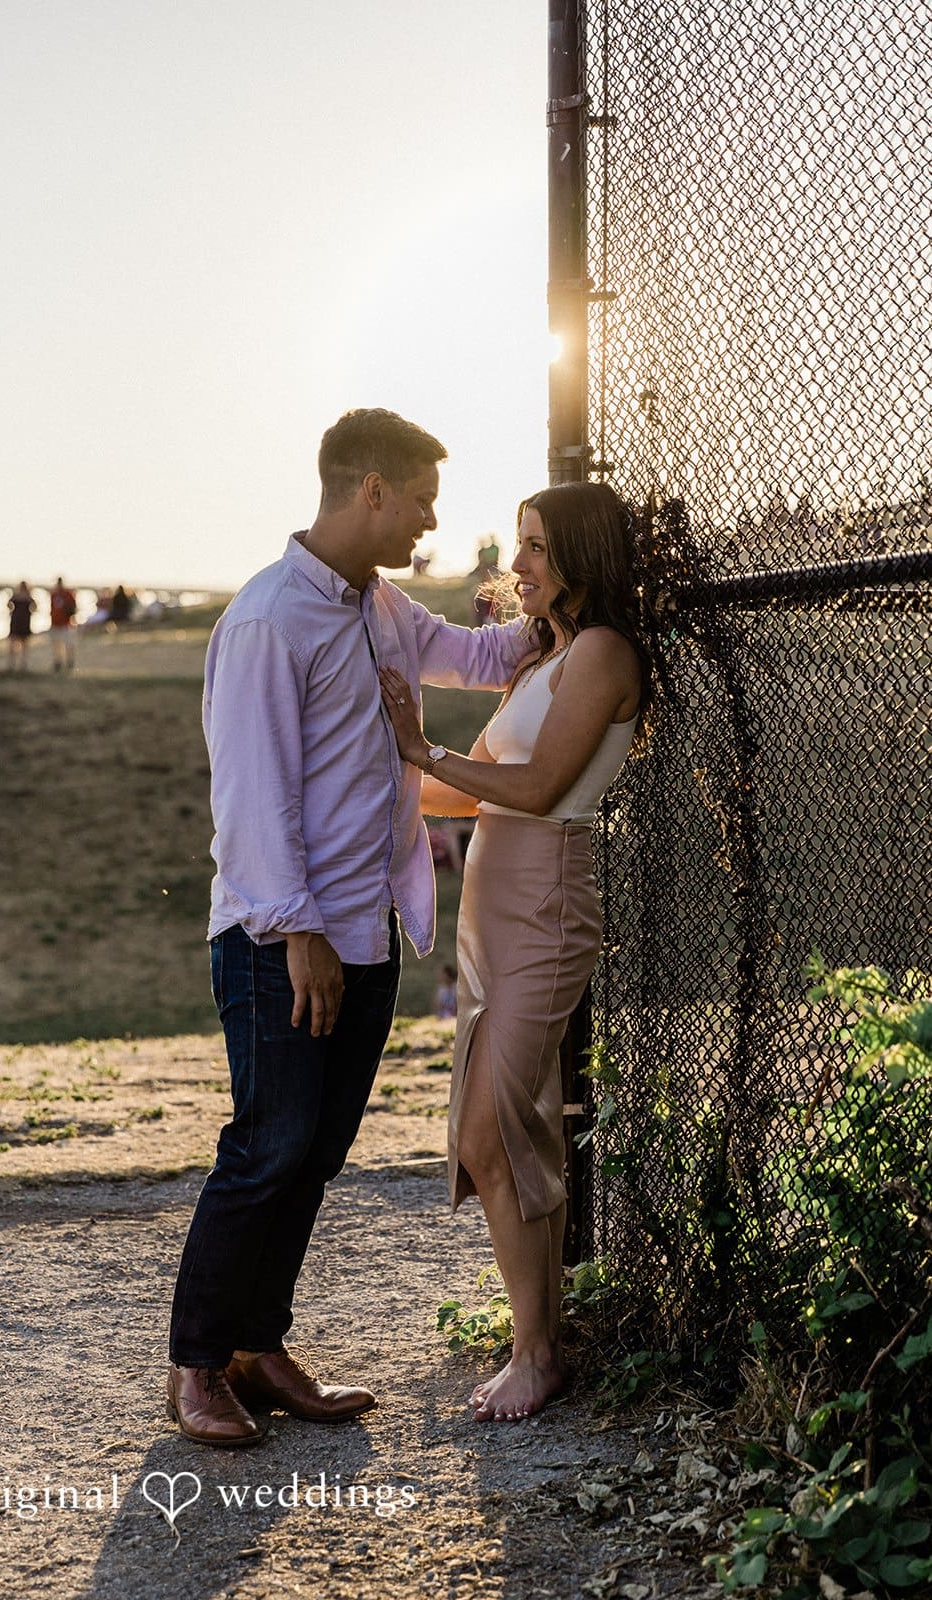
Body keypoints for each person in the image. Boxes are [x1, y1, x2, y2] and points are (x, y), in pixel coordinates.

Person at [166, 408, 528, 1446]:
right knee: (266, 1144)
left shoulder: (380, 606)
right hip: (280, 938)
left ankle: (256, 1347)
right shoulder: (266, 620)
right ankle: (195, 1363)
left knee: (315, 1150)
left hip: (362, 930)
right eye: (420, 499)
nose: (427, 521)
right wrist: (297, 931)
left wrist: (563, 614)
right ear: (369, 489)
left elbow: (472, 652)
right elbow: (250, 798)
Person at [380, 482, 651, 1424]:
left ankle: (537, 1354)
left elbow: (533, 788)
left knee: (493, 1132)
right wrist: (366, 784)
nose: (518, 563)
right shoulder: (547, 658)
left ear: (580, 554)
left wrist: (419, 749)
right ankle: (538, 1340)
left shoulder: (606, 654)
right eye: (520, 543)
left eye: (536, 546)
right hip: (493, 911)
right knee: (503, 1127)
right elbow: (471, 793)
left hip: (544, 898)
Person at [49, 577, 77, 671]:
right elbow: (51, 607)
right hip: (55, 623)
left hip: (66, 624)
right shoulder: (53, 594)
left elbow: (74, 607)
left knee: (69, 644)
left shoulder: (68, 594)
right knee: (56, 644)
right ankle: (58, 662)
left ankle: (70, 662)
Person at [7, 582, 36, 671]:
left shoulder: (18, 596)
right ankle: (16, 664)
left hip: (20, 622)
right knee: (17, 645)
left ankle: (19, 664)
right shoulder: (27, 597)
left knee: (22, 645)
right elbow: (34, 607)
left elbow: (8, 604)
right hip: (20, 622)